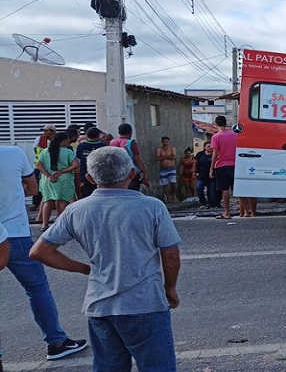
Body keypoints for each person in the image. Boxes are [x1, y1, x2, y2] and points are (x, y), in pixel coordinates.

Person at [30, 146, 181, 372]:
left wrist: (85, 269)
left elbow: (40, 251)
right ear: (132, 173)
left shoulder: (75, 210)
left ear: (90, 178)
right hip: (144, 303)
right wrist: (170, 288)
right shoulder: (152, 207)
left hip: (100, 306)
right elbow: (170, 254)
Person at [0, 145, 87, 362]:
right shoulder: (14, 153)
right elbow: (32, 189)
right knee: (36, 288)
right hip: (15, 233)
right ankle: (56, 342)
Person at [37, 132, 79, 231]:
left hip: (47, 180)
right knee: (62, 201)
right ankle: (60, 224)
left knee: (47, 201)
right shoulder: (68, 152)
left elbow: (39, 165)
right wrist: (62, 171)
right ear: (64, 140)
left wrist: (49, 175)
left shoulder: (45, 151)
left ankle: (44, 224)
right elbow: (76, 165)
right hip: (64, 179)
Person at [210, 116, 237, 219]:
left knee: (225, 189)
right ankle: (244, 211)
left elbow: (215, 154)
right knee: (237, 189)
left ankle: (227, 212)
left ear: (215, 124)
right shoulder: (235, 135)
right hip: (235, 164)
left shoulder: (216, 137)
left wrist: (211, 168)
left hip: (221, 165)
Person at [110, 123, 149, 191]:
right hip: (130, 173)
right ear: (131, 132)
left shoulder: (112, 142)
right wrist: (144, 172)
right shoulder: (131, 143)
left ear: (119, 132)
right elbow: (137, 160)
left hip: (117, 173)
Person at [31, 124, 56, 214]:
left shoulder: (56, 141)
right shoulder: (39, 139)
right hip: (39, 166)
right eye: (44, 131)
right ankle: (36, 203)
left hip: (51, 167)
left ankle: (52, 203)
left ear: (53, 132)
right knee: (38, 185)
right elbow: (35, 150)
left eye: (47, 131)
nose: (44, 133)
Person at [76, 127, 108, 198]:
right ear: (98, 135)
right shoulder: (104, 146)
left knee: (87, 196)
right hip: (101, 175)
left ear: (87, 135)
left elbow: (79, 156)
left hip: (85, 174)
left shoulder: (81, 146)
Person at [194, 141, 219, 208]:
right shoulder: (200, 154)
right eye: (208, 146)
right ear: (204, 147)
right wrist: (194, 172)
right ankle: (204, 203)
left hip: (212, 176)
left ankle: (212, 204)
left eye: (211, 146)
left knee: (211, 192)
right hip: (202, 175)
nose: (210, 148)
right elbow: (195, 163)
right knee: (199, 188)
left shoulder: (215, 154)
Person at [156, 136, 178, 203]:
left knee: (173, 183)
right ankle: (168, 198)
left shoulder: (172, 148)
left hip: (171, 168)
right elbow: (157, 158)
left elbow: (173, 157)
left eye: (167, 141)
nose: (165, 143)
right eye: (164, 141)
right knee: (165, 184)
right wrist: (168, 157)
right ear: (162, 142)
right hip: (163, 169)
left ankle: (174, 195)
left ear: (169, 142)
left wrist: (163, 156)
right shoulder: (159, 149)